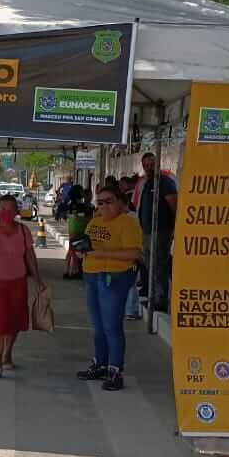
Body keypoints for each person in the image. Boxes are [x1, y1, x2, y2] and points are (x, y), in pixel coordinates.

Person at [76, 188, 143, 391]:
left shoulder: (128, 223)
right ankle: (100, 364)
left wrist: (100, 253)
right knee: (98, 327)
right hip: (92, 277)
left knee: (111, 327)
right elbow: (88, 248)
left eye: (109, 201)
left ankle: (115, 371)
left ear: (121, 203)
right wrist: (82, 252)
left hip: (114, 278)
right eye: (100, 202)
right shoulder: (94, 222)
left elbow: (133, 253)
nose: (104, 206)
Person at [0, 194, 44, 378]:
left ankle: (7, 354)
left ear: (16, 211)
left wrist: (37, 279)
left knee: (15, 321)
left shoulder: (23, 231)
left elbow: (30, 256)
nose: (6, 213)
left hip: (17, 282)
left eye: (10, 209)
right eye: (2, 209)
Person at [137, 152, 177, 312]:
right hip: (147, 231)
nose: (148, 168)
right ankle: (153, 296)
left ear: (158, 164)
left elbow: (174, 205)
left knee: (158, 265)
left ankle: (160, 300)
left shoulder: (165, 182)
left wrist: (172, 228)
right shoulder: (147, 182)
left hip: (160, 231)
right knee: (150, 265)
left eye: (151, 164)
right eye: (145, 165)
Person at [118, 176, 143, 321]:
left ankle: (129, 310)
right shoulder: (130, 217)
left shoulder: (130, 217)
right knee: (129, 283)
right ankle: (130, 310)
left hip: (128, 254)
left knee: (129, 282)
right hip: (125, 254)